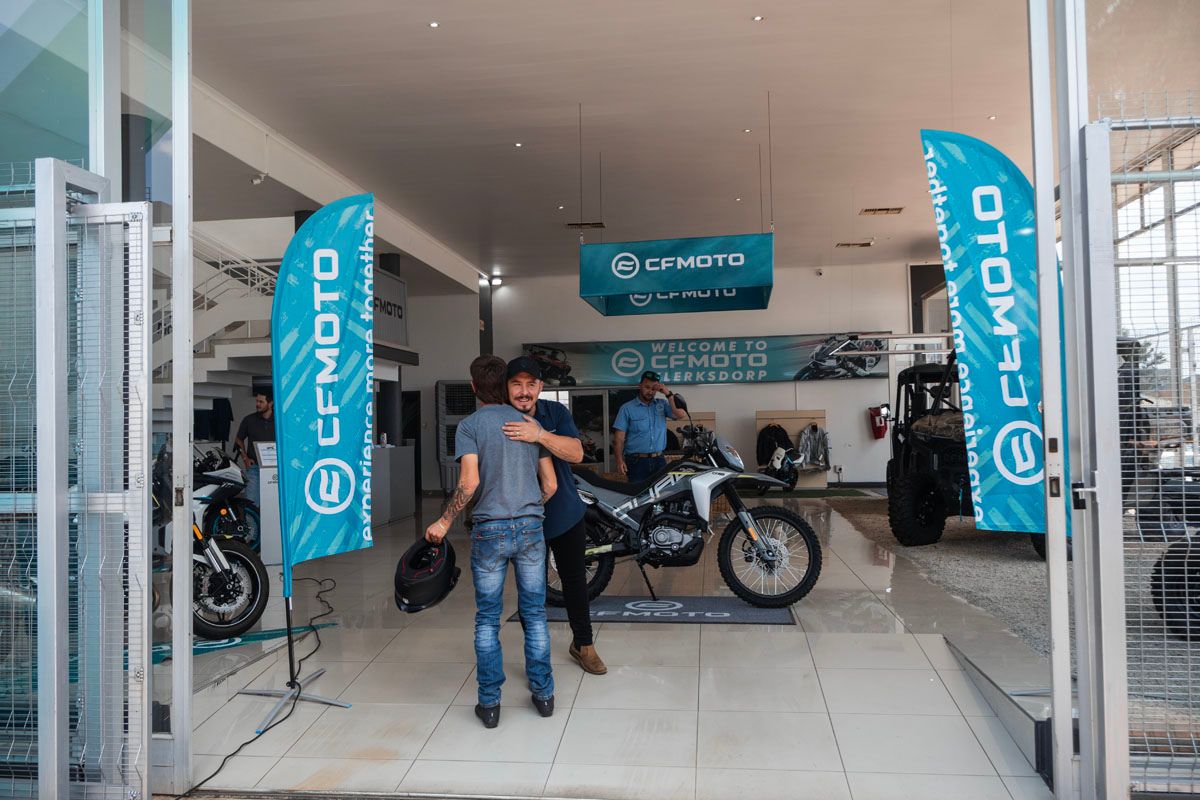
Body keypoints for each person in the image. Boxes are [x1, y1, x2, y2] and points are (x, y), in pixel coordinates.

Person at [425, 355, 557, 729]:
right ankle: (544, 695)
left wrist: (444, 521)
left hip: (489, 530)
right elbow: (550, 485)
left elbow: (469, 483)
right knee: (535, 614)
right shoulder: (530, 424)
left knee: (487, 618)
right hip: (530, 528)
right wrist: (529, 508)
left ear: (473, 387)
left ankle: (490, 704)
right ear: (506, 385)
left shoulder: (470, 426)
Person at [502, 356, 607, 675]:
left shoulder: (555, 413)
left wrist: (540, 435)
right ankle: (536, 654)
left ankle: (584, 644)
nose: (523, 391)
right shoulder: (498, 417)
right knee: (530, 589)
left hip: (563, 512)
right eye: (516, 384)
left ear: (540, 387)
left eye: (530, 384)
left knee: (575, 581)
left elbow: (576, 453)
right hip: (521, 518)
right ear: (506, 387)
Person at [612, 370, 682, 483]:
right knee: (638, 493)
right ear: (640, 386)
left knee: (661, 493)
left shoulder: (662, 404)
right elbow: (619, 438)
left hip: (659, 460)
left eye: (654, 388)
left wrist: (668, 394)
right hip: (636, 462)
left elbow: (680, 415)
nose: (650, 391)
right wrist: (619, 461)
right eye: (647, 387)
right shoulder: (627, 408)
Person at [234, 389, 275, 506]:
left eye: (261, 402)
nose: (257, 404)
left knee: (274, 502)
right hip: (254, 468)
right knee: (251, 501)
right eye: (257, 401)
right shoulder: (249, 419)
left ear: (270, 403)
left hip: (276, 468)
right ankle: (252, 519)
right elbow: (238, 439)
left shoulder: (280, 420)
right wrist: (245, 458)